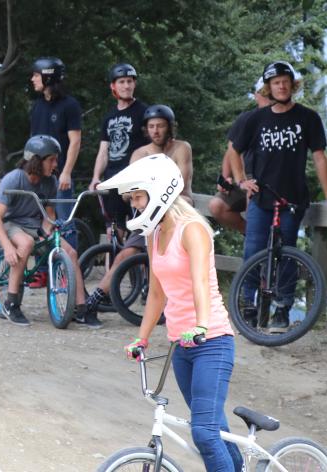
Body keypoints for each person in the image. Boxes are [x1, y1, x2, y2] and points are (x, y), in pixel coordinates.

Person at [98, 155, 244, 472]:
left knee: (204, 434)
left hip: (212, 341)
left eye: (137, 197)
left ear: (159, 191)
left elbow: (201, 284)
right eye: (132, 199)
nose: (134, 205)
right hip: (182, 345)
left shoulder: (192, 229)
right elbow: (157, 292)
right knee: (215, 429)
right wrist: (143, 338)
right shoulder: (154, 234)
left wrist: (202, 324)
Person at [230, 61, 327, 331]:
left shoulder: (307, 118)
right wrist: (241, 181)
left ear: (293, 85)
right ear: (268, 87)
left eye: (285, 81)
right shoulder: (255, 119)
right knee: (252, 251)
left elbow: (320, 158)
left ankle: (282, 310)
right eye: (276, 83)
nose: (281, 86)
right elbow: (234, 151)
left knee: (287, 253)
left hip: (292, 200)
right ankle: (248, 306)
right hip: (262, 198)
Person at [0, 135, 88, 327]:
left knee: (71, 252)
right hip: (11, 224)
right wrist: (8, 247)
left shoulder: (50, 182)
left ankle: (81, 308)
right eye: (51, 159)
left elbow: (48, 215)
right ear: (36, 160)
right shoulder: (13, 179)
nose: (55, 164)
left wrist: (49, 233)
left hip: (34, 226)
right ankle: (11, 303)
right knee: (26, 243)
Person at [79, 63, 151, 326]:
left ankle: (145, 287)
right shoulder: (109, 117)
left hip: (135, 183)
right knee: (118, 234)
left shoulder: (144, 112)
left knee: (138, 233)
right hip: (112, 182)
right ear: (113, 87)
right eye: (121, 82)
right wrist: (96, 178)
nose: (127, 85)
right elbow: (104, 150)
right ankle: (117, 289)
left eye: (130, 81)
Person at [208, 78, 270, 234]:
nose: (266, 96)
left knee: (254, 203)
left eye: (268, 92)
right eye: (262, 92)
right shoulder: (246, 118)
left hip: (271, 180)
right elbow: (231, 150)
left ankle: (260, 241)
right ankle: (251, 235)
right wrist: (226, 178)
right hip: (244, 178)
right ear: (256, 95)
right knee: (217, 206)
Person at [29, 57, 82, 227]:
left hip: (60, 176)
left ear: (48, 77)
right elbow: (33, 142)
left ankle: (70, 254)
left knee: (64, 223)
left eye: (36, 75)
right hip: (38, 175)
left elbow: (75, 141)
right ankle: (44, 255)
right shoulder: (37, 105)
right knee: (39, 224)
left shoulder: (70, 105)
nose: (32, 79)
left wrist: (66, 172)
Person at [129, 104, 194, 205]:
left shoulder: (182, 148)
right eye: (151, 126)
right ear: (146, 129)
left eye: (160, 126)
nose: (155, 131)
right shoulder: (139, 154)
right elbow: (129, 190)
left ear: (169, 127)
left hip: (179, 204)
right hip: (148, 205)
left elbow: (181, 185)